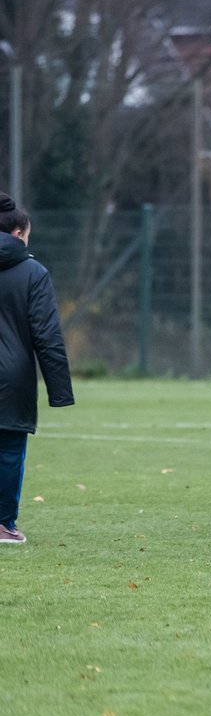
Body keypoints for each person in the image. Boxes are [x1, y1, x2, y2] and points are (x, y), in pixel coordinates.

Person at [0, 194, 74, 544]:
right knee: (9, 448)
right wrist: (59, 391)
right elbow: (46, 334)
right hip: (12, 377)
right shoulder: (33, 272)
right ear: (17, 233)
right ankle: (2, 525)